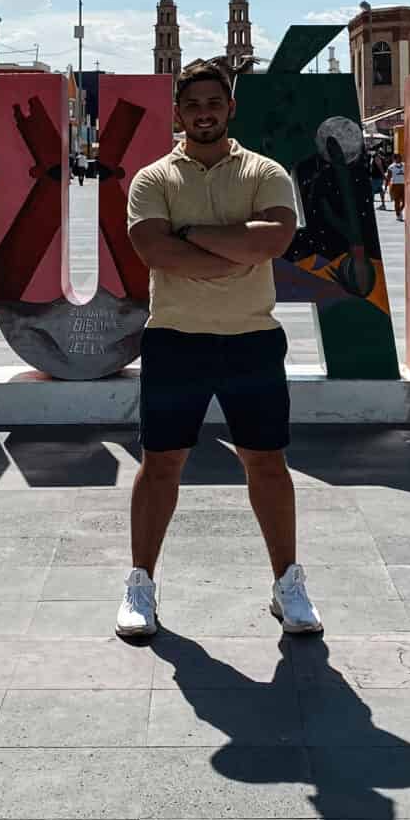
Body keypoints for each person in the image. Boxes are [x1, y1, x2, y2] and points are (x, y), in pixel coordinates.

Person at [119, 58, 321, 640]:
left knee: (267, 463)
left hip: (250, 340)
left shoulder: (264, 172)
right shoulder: (153, 179)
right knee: (160, 464)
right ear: (177, 113)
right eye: (192, 105)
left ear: (230, 108)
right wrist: (236, 248)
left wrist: (192, 235)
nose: (203, 112)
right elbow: (156, 253)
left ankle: (288, 584)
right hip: (174, 339)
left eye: (214, 102)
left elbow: (276, 239)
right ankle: (140, 583)